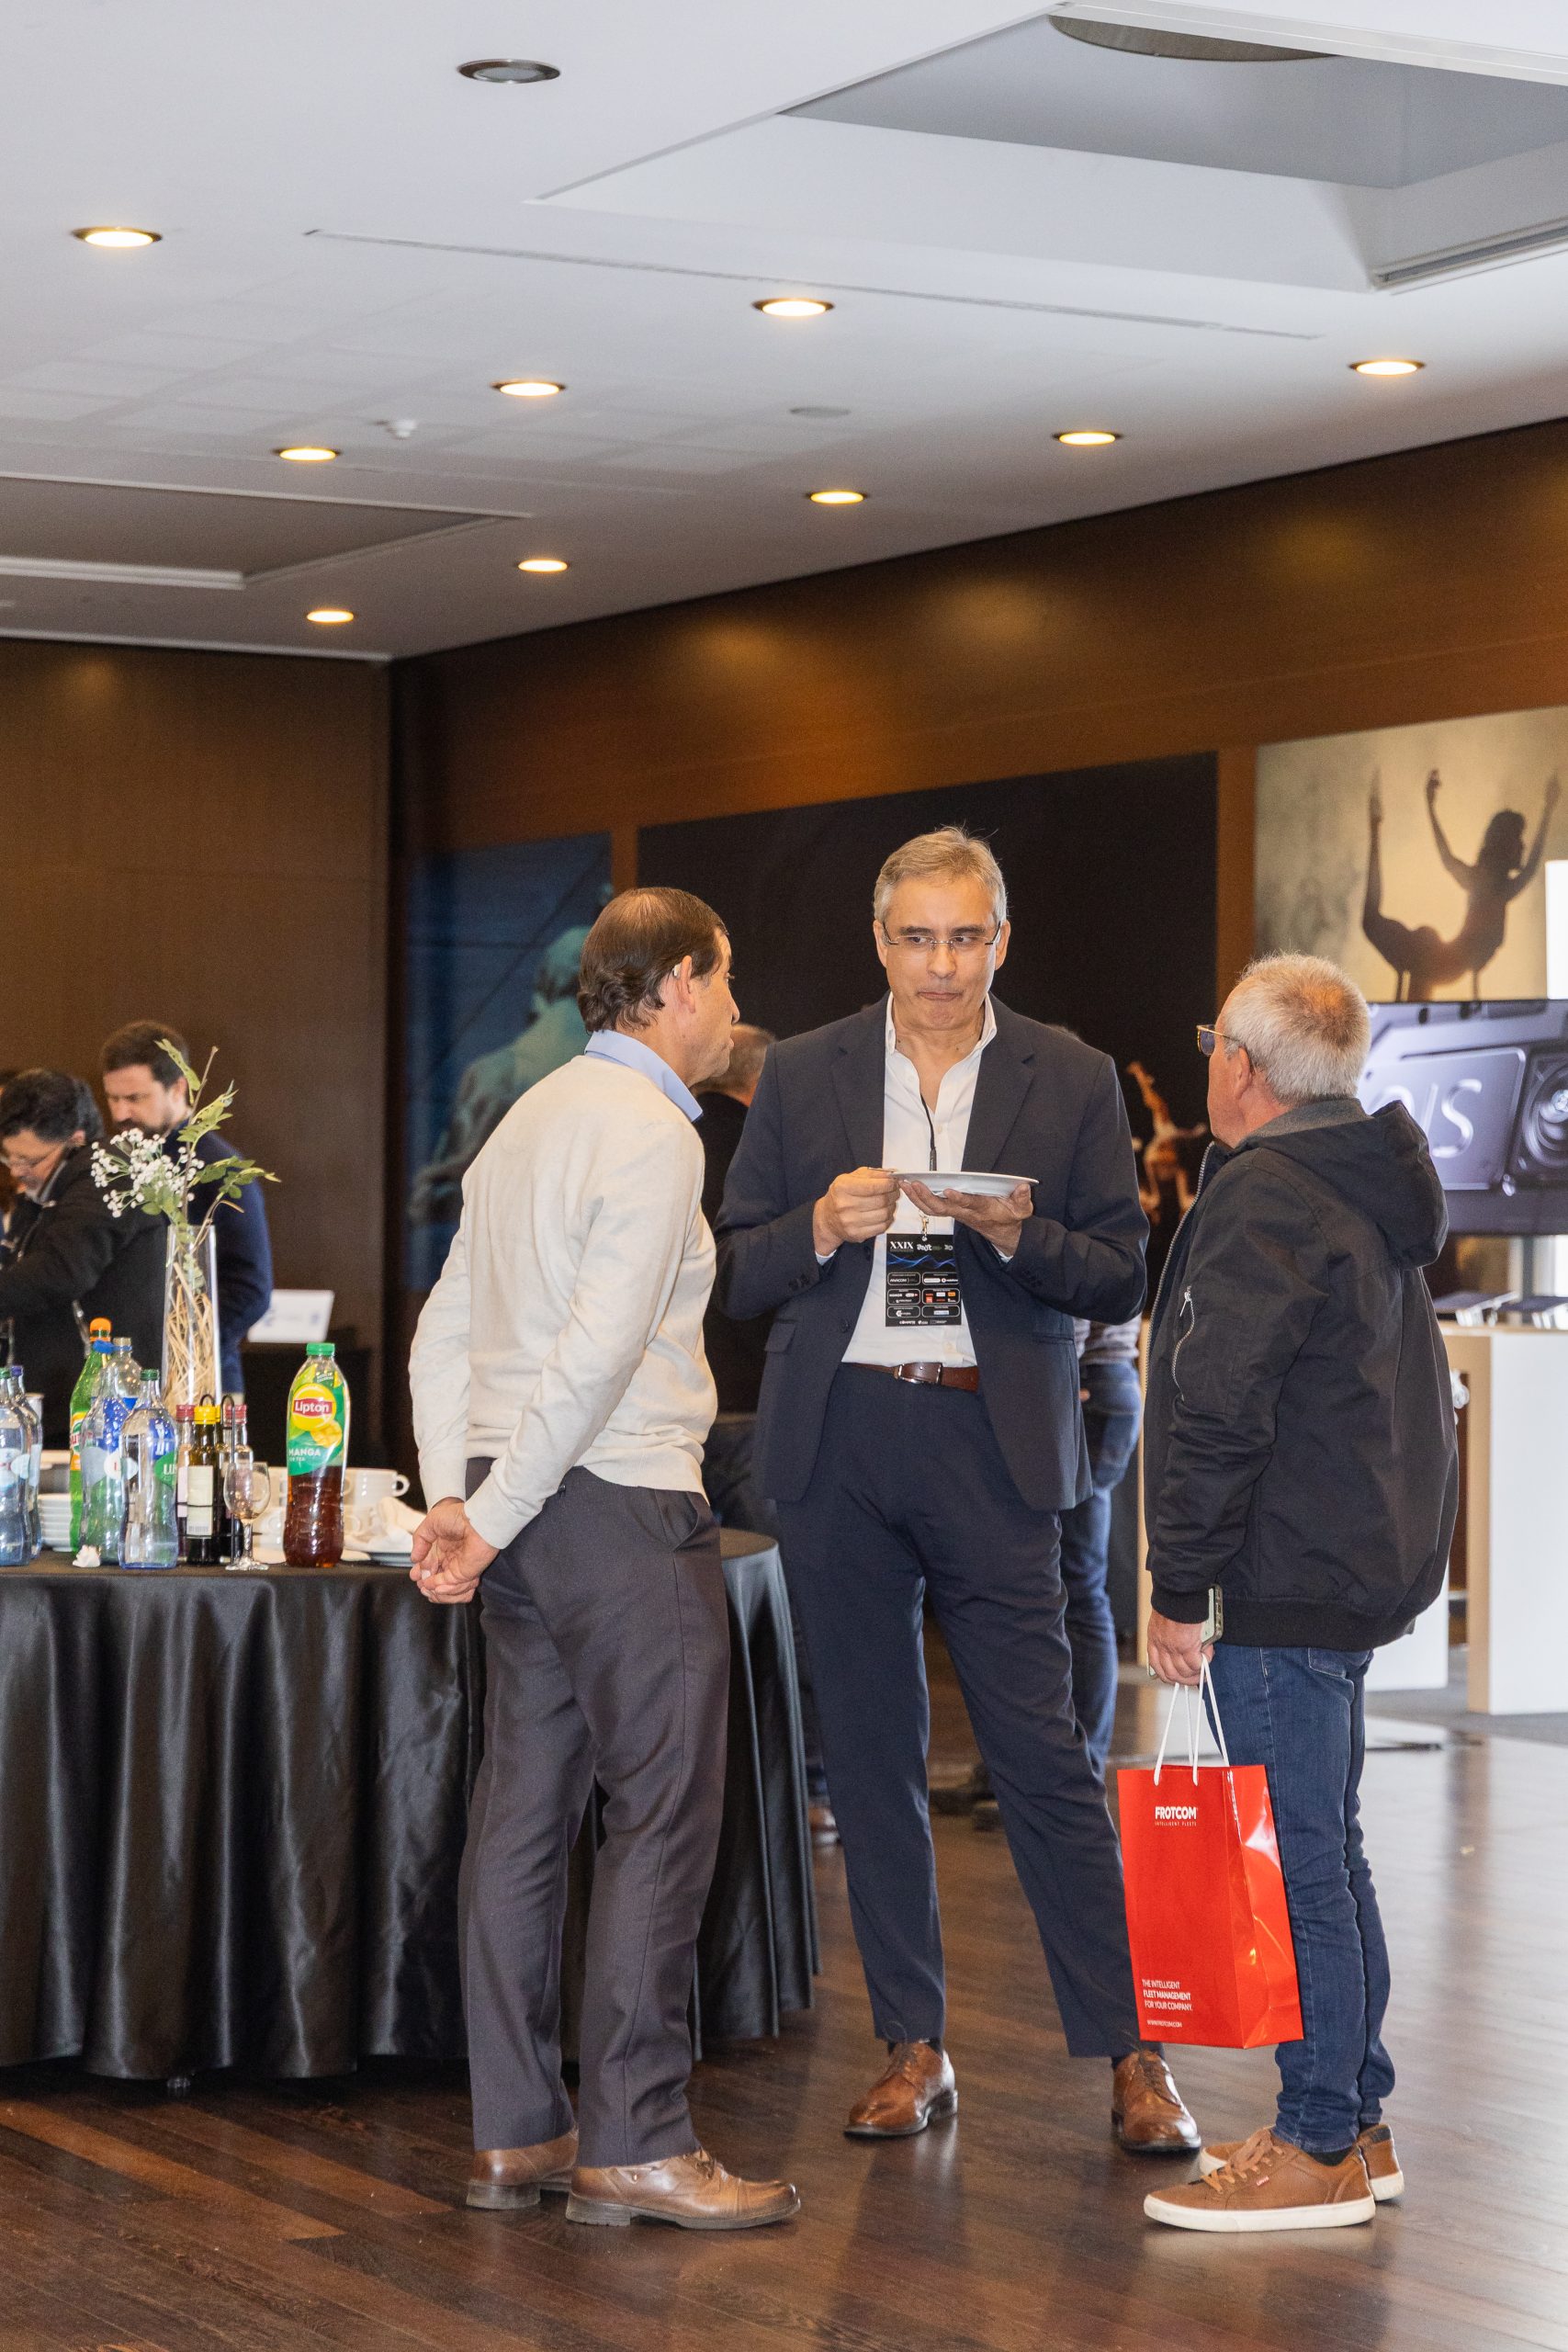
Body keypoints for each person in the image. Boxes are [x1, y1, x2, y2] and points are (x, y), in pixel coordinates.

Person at [716, 824, 1197, 2154]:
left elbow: (1119, 1272)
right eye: (917, 938)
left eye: (965, 937)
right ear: (879, 943)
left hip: (994, 1439)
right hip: (839, 1436)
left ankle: (1132, 2056)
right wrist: (817, 1227)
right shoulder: (805, 1072)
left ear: (1001, 940)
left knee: (1045, 1759)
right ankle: (912, 2046)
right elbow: (734, 1267)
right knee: (872, 1756)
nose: (941, 965)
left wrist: (1020, 1233)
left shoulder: (1070, 1075)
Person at [408, 887, 798, 2233]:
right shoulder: (648, 1132)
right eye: (725, 980)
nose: (733, 1009)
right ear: (678, 982)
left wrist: (459, 1496)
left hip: (520, 1513)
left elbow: (445, 1327)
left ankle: (516, 2132)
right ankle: (636, 2140)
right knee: (661, 1816)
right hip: (619, 1508)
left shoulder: (527, 1118)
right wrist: (485, 1508)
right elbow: (599, 1350)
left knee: (522, 1816)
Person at [1142, 952, 1456, 2234]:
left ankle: (1318, 2135)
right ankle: (1356, 2117)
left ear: (1243, 1067)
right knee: (1326, 1845)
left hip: (1281, 1574)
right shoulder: (1359, 1178)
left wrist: (1177, 1584)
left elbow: (1217, 1409)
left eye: (1211, 1041)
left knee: (1299, 1864)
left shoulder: (1265, 1193)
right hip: (1340, 1564)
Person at [696, 1023, 834, 1843]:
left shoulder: (665, 1138)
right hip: (763, 1407)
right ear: (765, 1084)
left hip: (677, 1416)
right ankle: (809, 1787)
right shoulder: (785, 1156)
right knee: (794, 1607)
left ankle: (711, 1793)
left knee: (688, 1611)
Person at [100, 1023, 274, 1396]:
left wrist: (183, 1346)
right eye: (112, 1099)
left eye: (135, 1098)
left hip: (202, 1381)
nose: (121, 1113)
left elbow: (250, 1289)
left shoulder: (220, 1169)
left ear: (178, 1087)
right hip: (125, 1377)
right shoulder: (116, 1161)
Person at [0, 1069, 164, 1443]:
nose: (18, 1173)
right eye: (9, 1158)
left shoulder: (109, 1177)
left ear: (75, 1140)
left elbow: (59, 1271)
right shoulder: (48, 1188)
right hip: (59, 1403)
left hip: (101, 1411)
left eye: (29, 1160)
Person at [1362, 767, 1560, 1001]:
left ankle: (1375, 827)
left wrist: (1548, 810)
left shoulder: (1493, 886)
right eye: (1518, 840)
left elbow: (1450, 859)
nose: (1523, 847)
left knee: (1399, 932)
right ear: (1504, 844)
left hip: (1449, 963)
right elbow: (1449, 858)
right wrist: (1547, 810)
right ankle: (1375, 827)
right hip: (1447, 962)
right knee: (1399, 930)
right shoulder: (1490, 885)